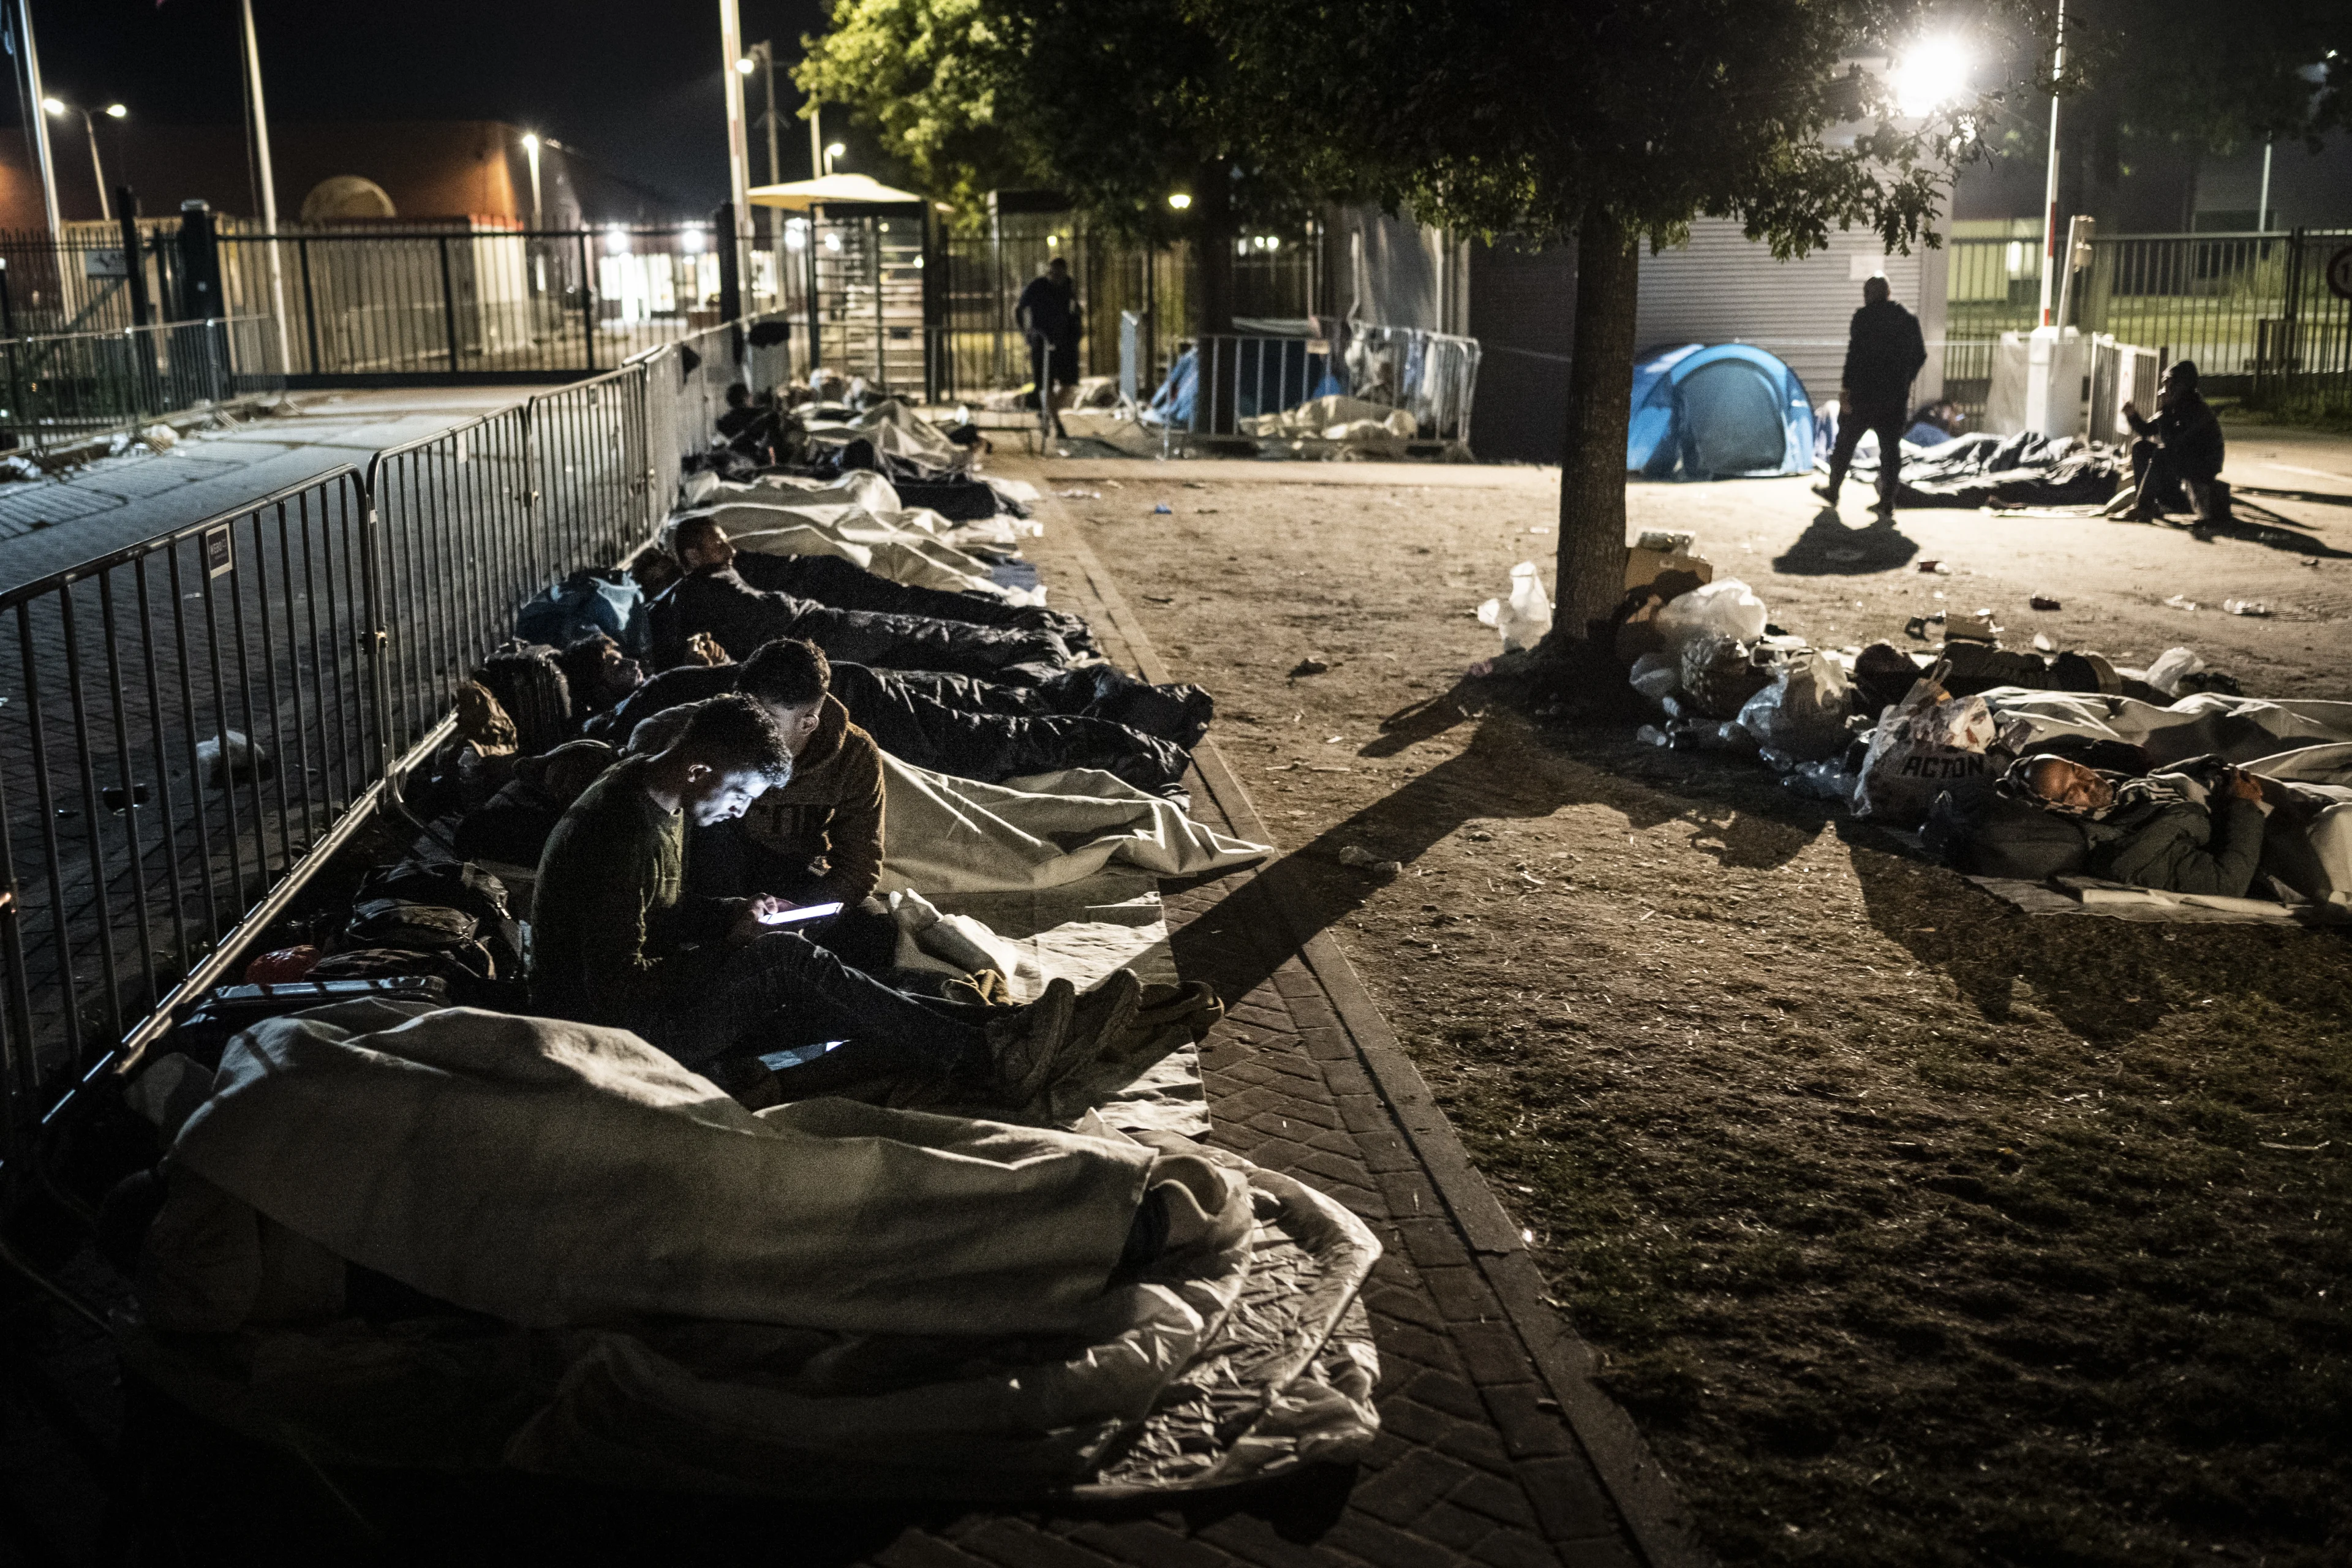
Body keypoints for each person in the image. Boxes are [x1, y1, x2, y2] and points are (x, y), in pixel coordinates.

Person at [528, 692, 1140, 1099]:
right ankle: (998, 1047)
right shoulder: (616, 834)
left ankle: (1010, 1032)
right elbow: (617, 987)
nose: (738, 813)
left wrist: (729, 914)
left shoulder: (662, 793)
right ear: (699, 771)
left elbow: (660, 914)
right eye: (739, 797)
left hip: (643, 1001)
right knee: (785, 963)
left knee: (845, 992)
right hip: (608, 1027)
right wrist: (733, 949)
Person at [598, 635, 1194, 794]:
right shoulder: (657, 700)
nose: (624, 661)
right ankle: (1147, 713)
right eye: (611, 660)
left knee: (1009, 731)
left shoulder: (648, 721)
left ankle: (1154, 735)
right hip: (855, 687)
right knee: (1010, 713)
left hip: (859, 703)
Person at [624, 640, 895, 971]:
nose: (752, 727)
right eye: (746, 708)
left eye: (768, 720)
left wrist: (801, 918)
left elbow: (859, 863)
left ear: (808, 723)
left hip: (789, 870)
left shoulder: (855, 757)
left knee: (875, 928)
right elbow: (647, 751)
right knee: (716, 836)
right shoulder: (721, 726)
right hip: (712, 862)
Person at [646, 516, 1072, 676]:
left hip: (824, 622)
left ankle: (1023, 643)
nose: (731, 551)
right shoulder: (690, 598)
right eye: (719, 546)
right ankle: (1027, 647)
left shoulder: (724, 577)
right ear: (692, 555)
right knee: (924, 637)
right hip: (822, 633)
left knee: (923, 635)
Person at [1999, 753, 2271, 897]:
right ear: (2064, 809)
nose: (2089, 782)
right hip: (2271, 839)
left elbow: (2150, 783)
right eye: (2074, 793)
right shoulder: (2133, 853)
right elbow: (2227, 882)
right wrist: (2243, 806)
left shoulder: (2119, 794)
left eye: (2078, 771)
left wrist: (2199, 767)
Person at [1815, 276, 1928, 518]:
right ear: (1889, 292)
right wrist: (1905, 380)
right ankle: (1887, 502)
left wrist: (1846, 389)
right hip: (1894, 398)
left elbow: (1854, 356)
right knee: (1890, 450)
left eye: (1866, 292)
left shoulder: (1863, 318)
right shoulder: (1907, 320)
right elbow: (1920, 355)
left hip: (1863, 396)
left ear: (1869, 294)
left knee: (1845, 444)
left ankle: (1833, 491)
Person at [2108, 360, 2228, 523]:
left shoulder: (2197, 411)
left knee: (2162, 453)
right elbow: (2147, 430)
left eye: (2168, 384)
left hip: (2203, 464)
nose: (2164, 390)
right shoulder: (2174, 407)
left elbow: (2174, 443)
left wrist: (2165, 413)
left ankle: (2143, 508)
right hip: (2186, 458)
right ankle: (2149, 505)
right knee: (2140, 447)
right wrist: (2132, 416)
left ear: (2180, 385)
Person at [1016, 257, 1080, 439]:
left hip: (1066, 344)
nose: (1056, 277)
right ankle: (1058, 426)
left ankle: (1047, 412)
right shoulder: (1038, 287)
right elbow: (1021, 308)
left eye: (1060, 273)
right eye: (1053, 273)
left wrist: (1076, 333)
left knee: (1069, 385)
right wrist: (1028, 333)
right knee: (1046, 384)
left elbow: (1074, 311)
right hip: (1042, 343)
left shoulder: (1069, 287)